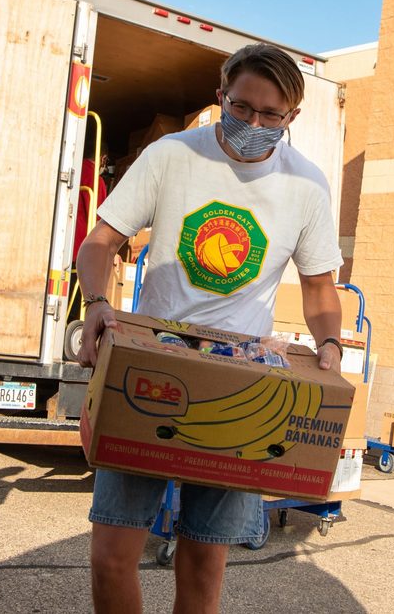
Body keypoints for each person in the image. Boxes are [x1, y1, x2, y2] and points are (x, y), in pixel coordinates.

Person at [75, 43, 345, 614]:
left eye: (270, 115)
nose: (252, 124)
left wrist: (329, 344)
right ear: (221, 96)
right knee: (112, 554)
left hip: (239, 380)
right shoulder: (171, 157)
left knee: (203, 564)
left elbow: (320, 288)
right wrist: (98, 302)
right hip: (151, 365)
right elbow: (100, 243)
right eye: (241, 107)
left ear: (291, 117)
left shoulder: (307, 186)